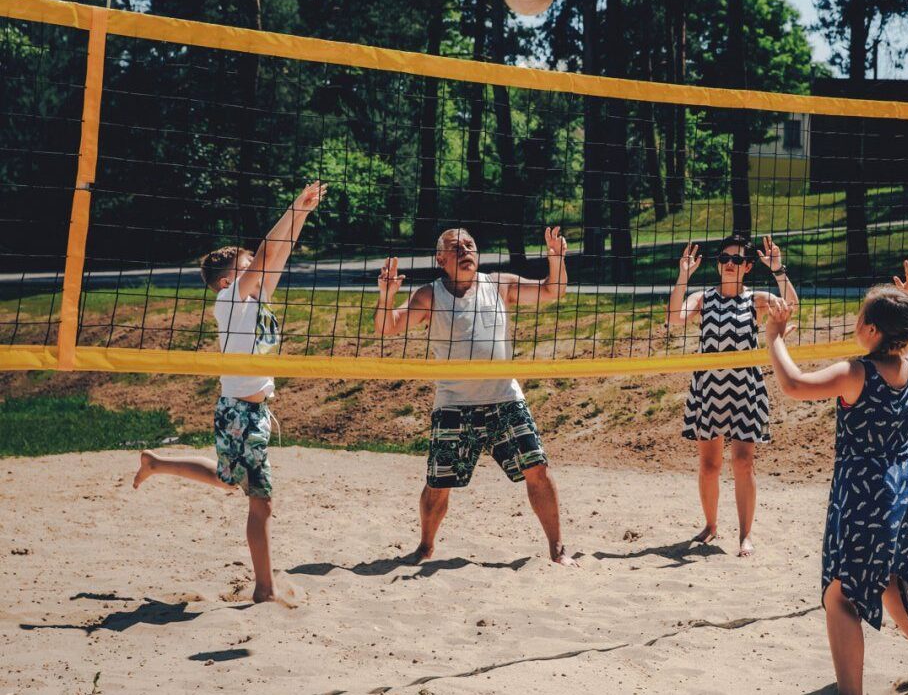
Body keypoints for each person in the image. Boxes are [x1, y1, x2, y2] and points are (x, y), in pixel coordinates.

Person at [763, 258, 908, 694]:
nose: (856, 322)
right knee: (893, 578)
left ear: (871, 331)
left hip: (866, 492)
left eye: (860, 317)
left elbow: (793, 384)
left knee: (840, 596)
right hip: (905, 485)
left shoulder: (857, 373)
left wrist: (773, 337)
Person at [133, 181, 327, 605]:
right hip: (241, 413)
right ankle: (264, 589)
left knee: (227, 481)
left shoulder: (255, 298)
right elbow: (266, 250)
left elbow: (278, 251)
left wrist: (303, 213)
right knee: (262, 502)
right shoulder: (229, 302)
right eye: (246, 266)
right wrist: (293, 204)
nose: (257, 267)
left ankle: (157, 462)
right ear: (226, 280)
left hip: (241, 412)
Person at [373, 226, 577, 567]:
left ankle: (557, 551)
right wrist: (386, 295)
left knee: (537, 468)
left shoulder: (498, 284)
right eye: (456, 247)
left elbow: (552, 292)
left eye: (470, 245)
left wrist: (556, 259)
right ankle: (425, 547)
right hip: (454, 402)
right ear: (441, 259)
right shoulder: (430, 295)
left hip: (505, 398)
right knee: (438, 484)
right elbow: (386, 327)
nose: (465, 250)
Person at [667, 235, 798, 557]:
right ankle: (711, 526)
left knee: (743, 463)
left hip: (745, 390)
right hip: (708, 390)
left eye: (737, 260)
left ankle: (745, 536)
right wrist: (683, 276)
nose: (730, 264)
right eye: (725, 258)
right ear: (718, 263)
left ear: (748, 267)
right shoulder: (703, 299)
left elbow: (791, 307)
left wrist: (779, 270)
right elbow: (674, 319)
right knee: (709, 466)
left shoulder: (756, 300)